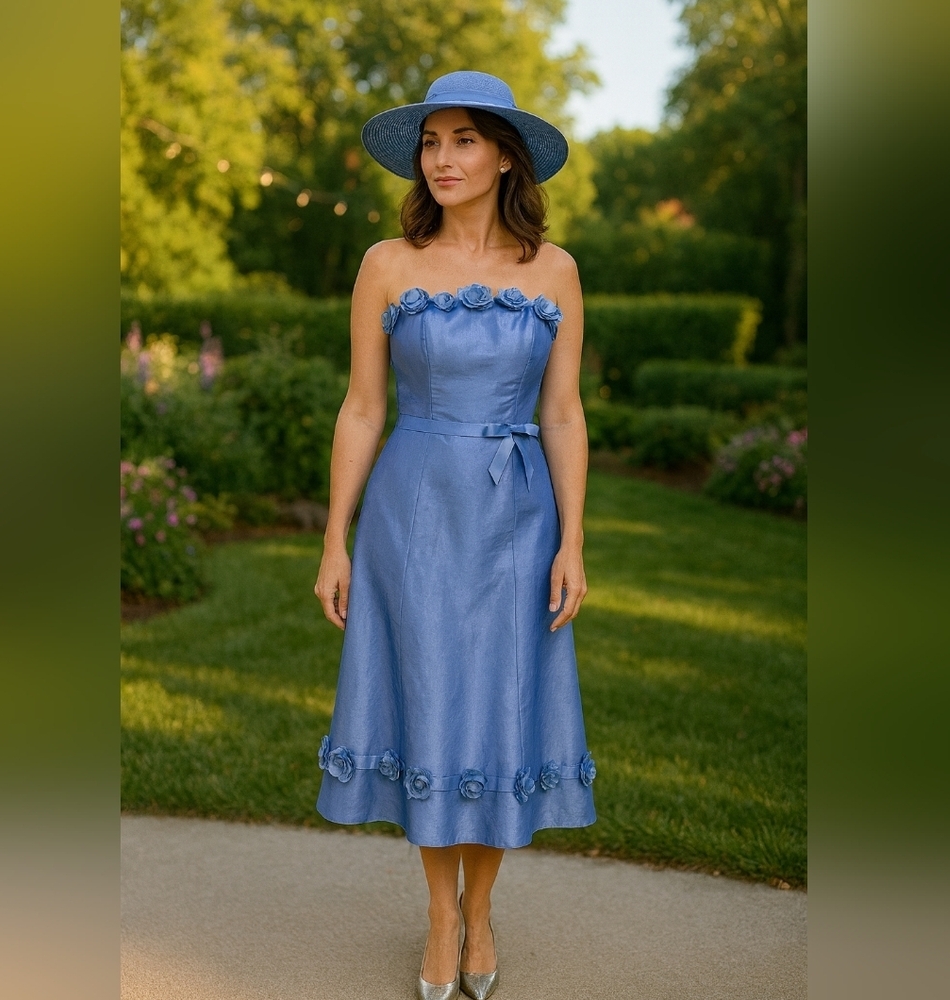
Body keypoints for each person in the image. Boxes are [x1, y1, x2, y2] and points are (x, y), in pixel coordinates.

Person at [313, 71, 597, 1000]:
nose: (442, 159)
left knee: (500, 711)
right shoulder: (385, 264)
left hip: (519, 521)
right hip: (415, 517)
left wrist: (573, 540)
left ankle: (485, 913)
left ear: (505, 154)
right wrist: (334, 538)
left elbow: (563, 414)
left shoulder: (554, 272)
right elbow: (362, 407)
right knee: (433, 707)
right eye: (432, 142)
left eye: (464, 140)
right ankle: (443, 920)